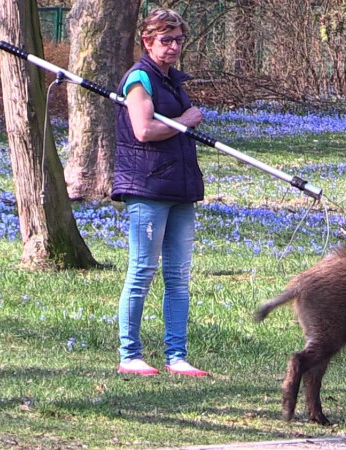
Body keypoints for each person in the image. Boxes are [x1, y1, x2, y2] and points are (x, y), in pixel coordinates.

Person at [113, 7, 208, 377]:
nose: (172, 47)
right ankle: (130, 355)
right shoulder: (140, 80)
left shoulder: (172, 80)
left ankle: (177, 355)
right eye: (165, 40)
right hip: (148, 187)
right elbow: (143, 130)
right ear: (147, 41)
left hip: (181, 188)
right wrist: (185, 122)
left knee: (179, 275)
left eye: (178, 40)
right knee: (142, 271)